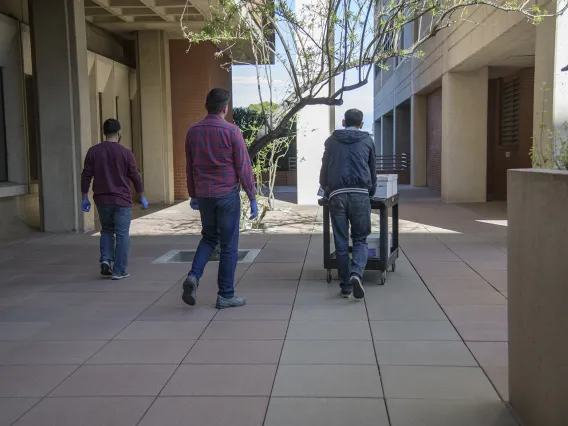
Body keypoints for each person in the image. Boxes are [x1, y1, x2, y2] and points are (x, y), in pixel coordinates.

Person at [183, 88, 257, 309]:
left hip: (204, 194)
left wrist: (193, 193)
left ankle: (194, 276)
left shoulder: (193, 131)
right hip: (226, 194)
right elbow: (243, 166)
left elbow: (190, 167)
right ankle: (225, 294)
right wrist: (252, 196)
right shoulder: (232, 131)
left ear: (207, 106)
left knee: (208, 238)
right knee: (229, 245)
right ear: (225, 108)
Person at [319, 109, 377, 299]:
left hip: (337, 195)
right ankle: (356, 273)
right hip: (361, 195)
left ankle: (345, 286)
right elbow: (372, 170)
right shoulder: (368, 140)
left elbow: (324, 171)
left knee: (341, 241)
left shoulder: (331, 141)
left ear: (343, 122)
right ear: (361, 124)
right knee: (360, 239)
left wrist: (326, 189)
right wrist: (370, 192)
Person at [81, 119, 148, 280]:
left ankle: (105, 260)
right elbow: (135, 176)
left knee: (106, 230)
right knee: (122, 235)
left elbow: (86, 175)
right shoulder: (126, 153)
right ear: (119, 133)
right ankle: (119, 270)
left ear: (104, 132)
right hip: (122, 200)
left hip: (101, 199)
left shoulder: (93, 151)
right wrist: (142, 196)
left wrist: (85, 197)